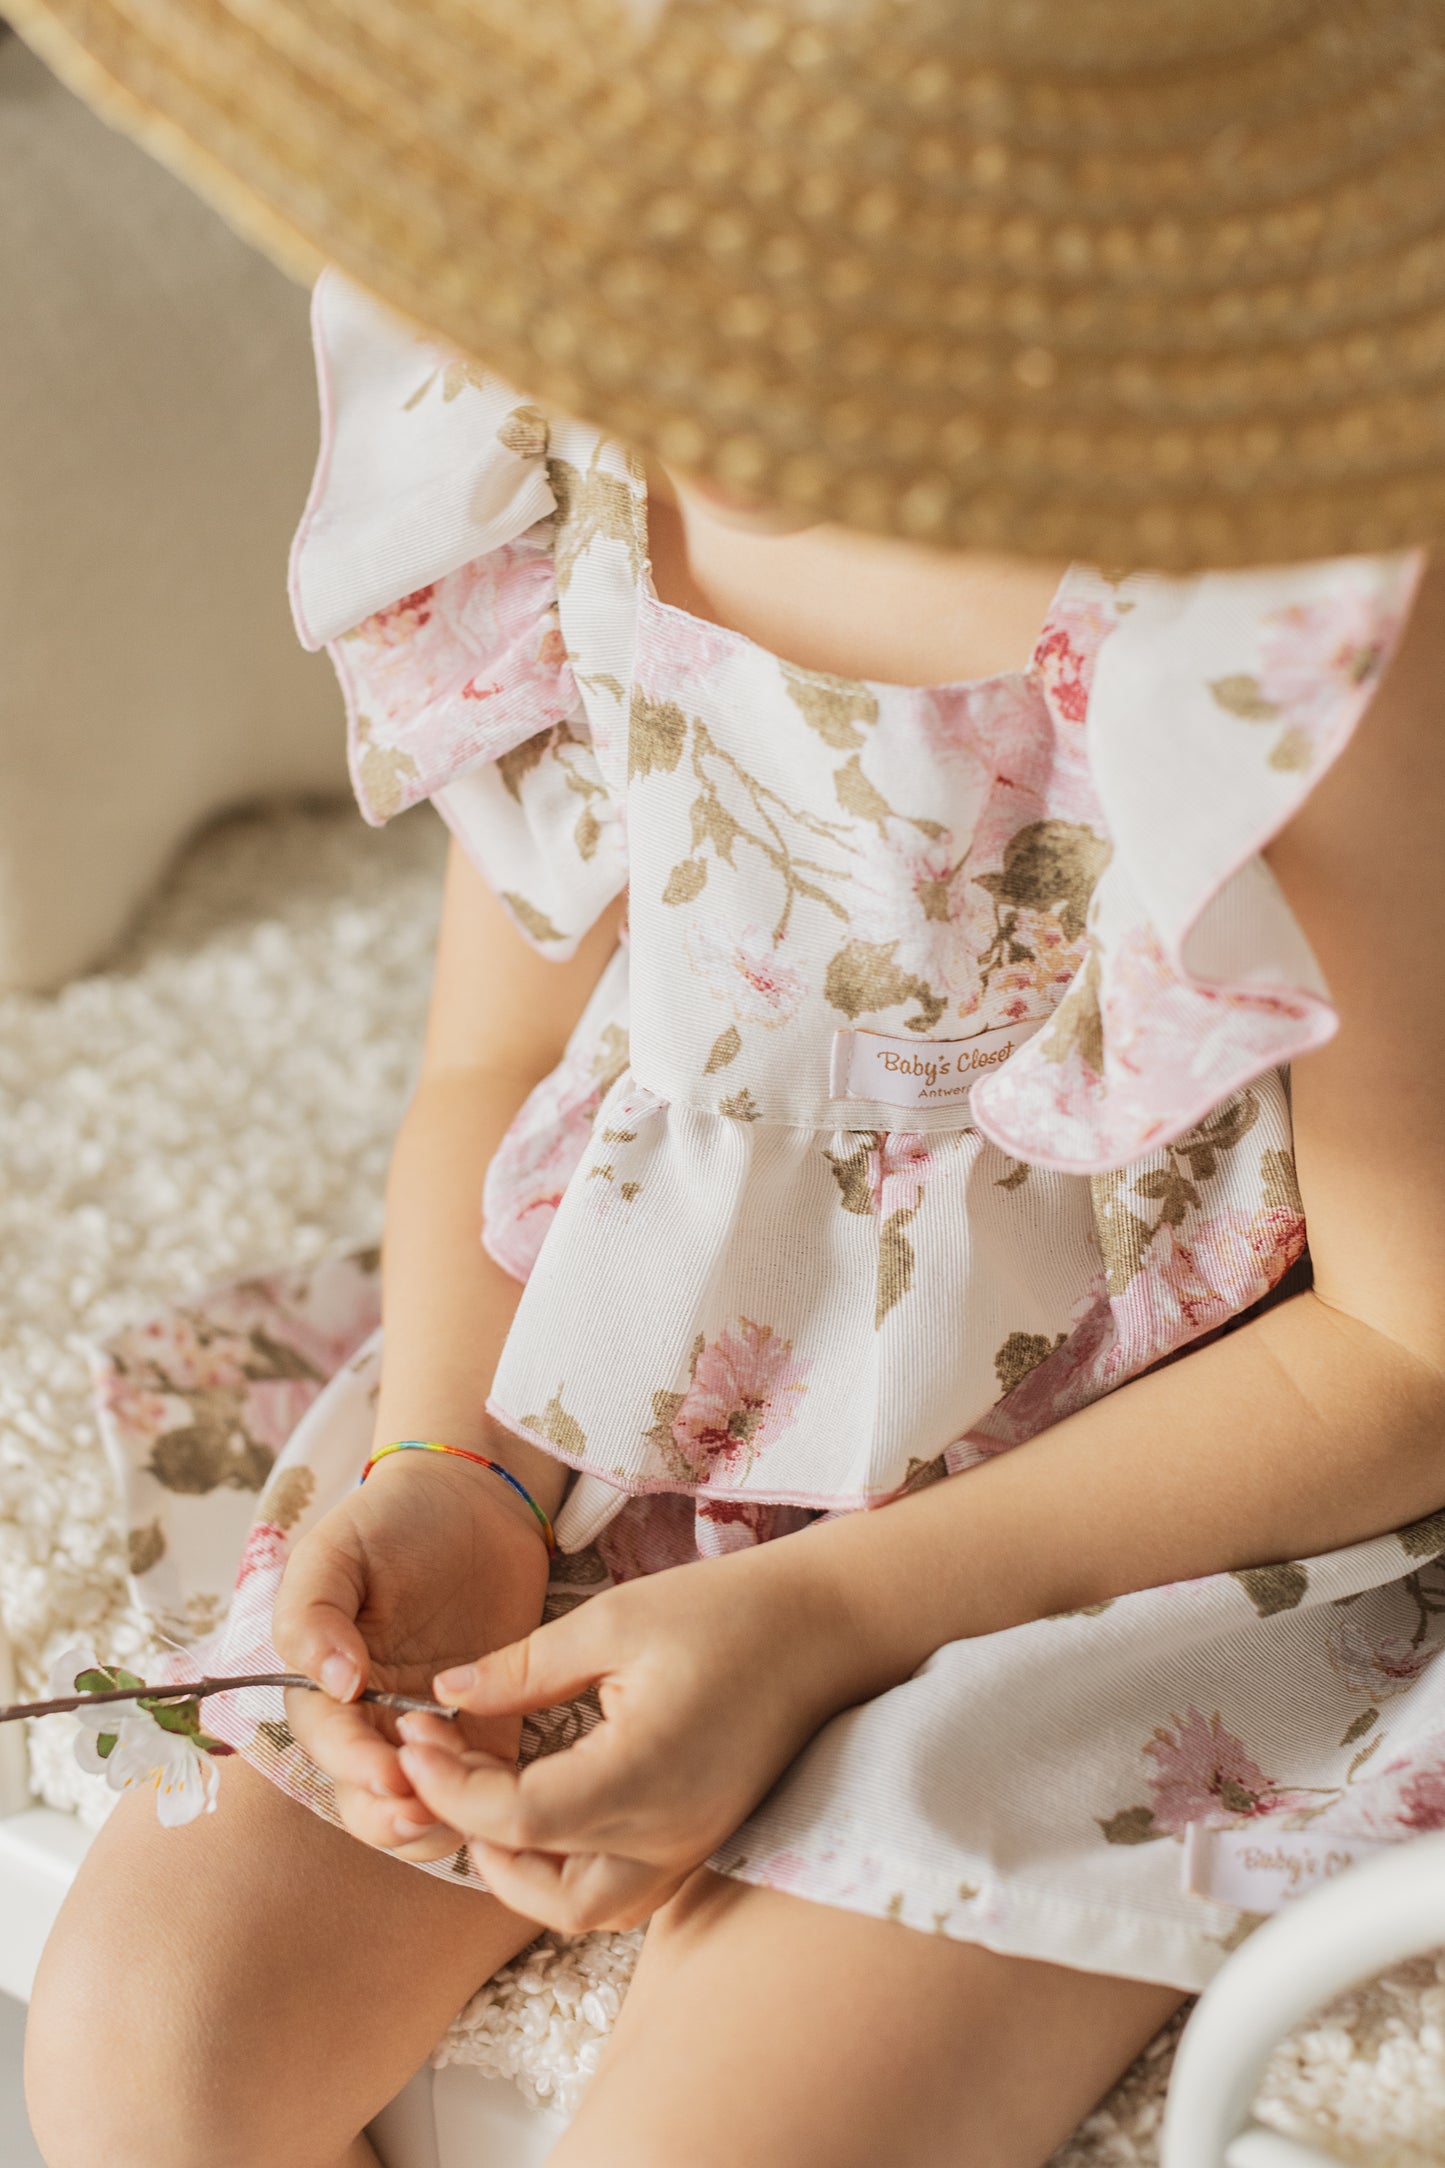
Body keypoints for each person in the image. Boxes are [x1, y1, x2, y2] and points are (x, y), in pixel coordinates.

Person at [14, 4, 1445, 2164]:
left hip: (1136, 1511)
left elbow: (1405, 1344)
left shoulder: (1276, 610)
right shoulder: (542, 427)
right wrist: (456, 1475)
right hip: (633, 1393)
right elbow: (497, 1062)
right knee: (150, 2019)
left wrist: (811, 1615)